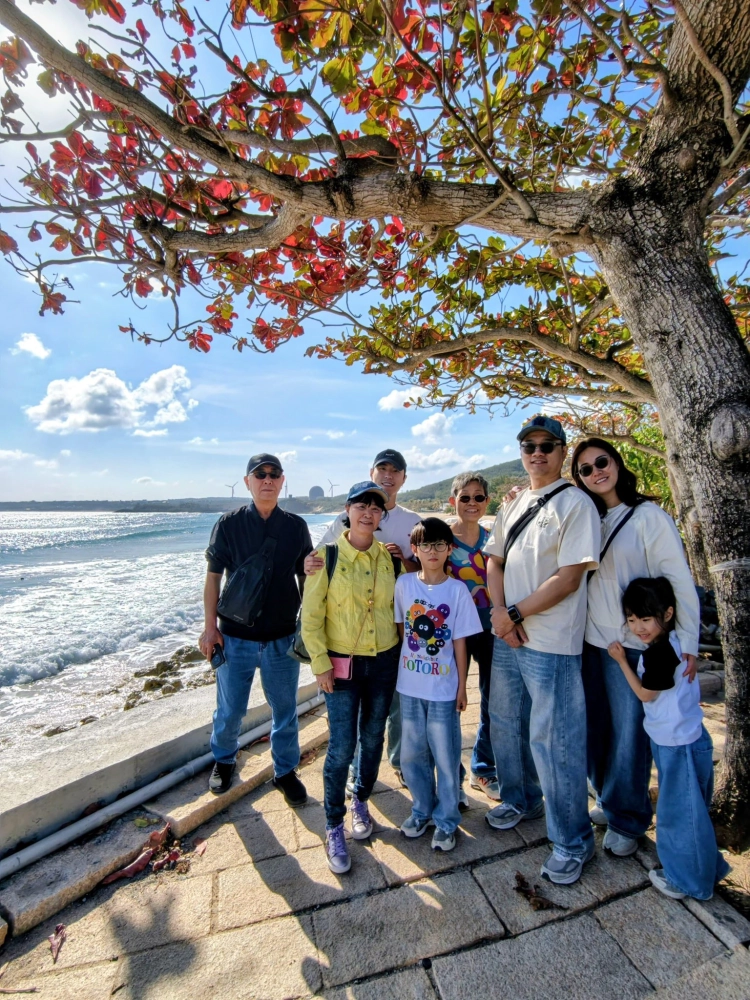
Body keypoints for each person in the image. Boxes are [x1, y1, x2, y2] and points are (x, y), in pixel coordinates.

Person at [484, 414, 600, 885]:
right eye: (529, 446)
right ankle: (521, 799)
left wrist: (513, 614)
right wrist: (500, 613)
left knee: (555, 742)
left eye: (546, 445)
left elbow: (569, 578)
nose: (537, 453)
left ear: (561, 452)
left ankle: (573, 841)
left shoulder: (575, 503)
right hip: (508, 633)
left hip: (550, 641)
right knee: (506, 721)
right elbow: (494, 561)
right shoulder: (514, 503)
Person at [571, 437, 700, 859]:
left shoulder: (647, 517)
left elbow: (677, 578)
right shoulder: (589, 519)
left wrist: (688, 640)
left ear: (617, 462)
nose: (596, 472)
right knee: (596, 729)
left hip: (633, 646)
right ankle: (608, 797)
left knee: (629, 736)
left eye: (601, 462)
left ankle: (628, 817)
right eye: (585, 469)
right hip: (592, 642)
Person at [200, 454, 312, 805]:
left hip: (283, 637)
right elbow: (213, 578)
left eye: (274, 474)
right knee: (230, 709)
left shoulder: (296, 526)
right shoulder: (229, 524)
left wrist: (307, 627)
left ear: (282, 481)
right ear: (247, 481)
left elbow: (306, 578)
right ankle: (224, 760)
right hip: (235, 637)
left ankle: (285, 770)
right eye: (260, 474)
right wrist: (209, 629)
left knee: (285, 711)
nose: (267, 480)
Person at [608, 577, 729, 900]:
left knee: (679, 814)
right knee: (692, 810)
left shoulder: (660, 654)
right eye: (632, 619)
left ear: (668, 613)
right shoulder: (677, 643)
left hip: (677, 744)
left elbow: (645, 695)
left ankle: (687, 882)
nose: (638, 627)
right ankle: (706, 870)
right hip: (686, 738)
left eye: (646, 619)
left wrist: (621, 661)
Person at [301, 481, 400, 874]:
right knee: (342, 746)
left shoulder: (389, 558)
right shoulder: (324, 557)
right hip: (341, 665)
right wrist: (320, 663)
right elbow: (310, 617)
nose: (368, 513)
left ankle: (360, 798)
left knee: (374, 737)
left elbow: (400, 609)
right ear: (347, 510)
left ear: (381, 516)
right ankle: (333, 824)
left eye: (376, 508)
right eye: (361, 506)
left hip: (384, 661)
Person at [306, 449, 420, 787]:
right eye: (382, 468)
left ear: (404, 478)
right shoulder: (340, 529)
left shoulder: (412, 521)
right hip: (347, 648)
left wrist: (402, 562)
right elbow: (317, 564)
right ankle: (349, 790)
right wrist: (308, 563)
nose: (388, 475)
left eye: (395, 470)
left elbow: (422, 573)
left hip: (389, 643)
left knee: (384, 721)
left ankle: (392, 767)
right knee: (347, 735)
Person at [396, 518, 481, 851]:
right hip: (409, 687)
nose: (432, 551)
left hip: (444, 690)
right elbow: (403, 632)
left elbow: (460, 642)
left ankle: (446, 820)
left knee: (446, 756)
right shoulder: (404, 584)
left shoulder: (457, 590)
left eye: (439, 545)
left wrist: (461, 687)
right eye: (425, 545)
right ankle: (422, 810)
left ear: (449, 549)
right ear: (414, 549)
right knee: (412, 754)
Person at [447, 472, 499, 800]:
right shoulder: (442, 539)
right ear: (453, 500)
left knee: (494, 700)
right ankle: (452, 776)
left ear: (487, 502)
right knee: (450, 703)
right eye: (464, 497)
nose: (472, 503)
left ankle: (483, 768)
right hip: (453, 634)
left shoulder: (494, 539)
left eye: (478, 497)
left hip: (491, 629)